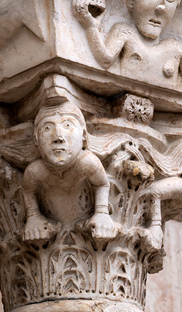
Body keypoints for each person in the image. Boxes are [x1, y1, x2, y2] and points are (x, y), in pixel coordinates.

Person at [21, 101, 116, 243]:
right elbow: (27, 190)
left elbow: (102, 183)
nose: (58, 137)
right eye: (47, 128)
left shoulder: (87, 163)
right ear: (36, 140)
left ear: (84, 135)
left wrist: (102, 212)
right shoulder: (36, 171)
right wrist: (33, 216)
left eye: (67, 126)